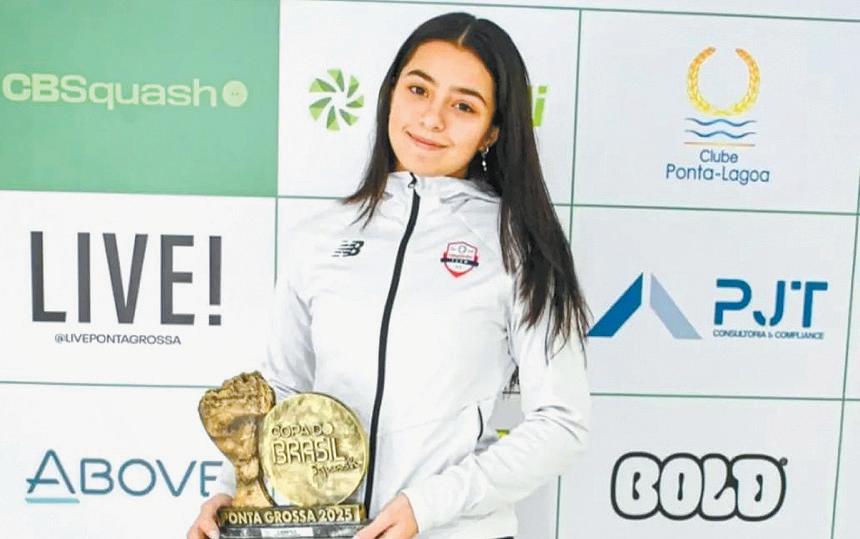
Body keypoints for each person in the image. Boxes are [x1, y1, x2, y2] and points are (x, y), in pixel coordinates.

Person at [188, 11, 590, 539]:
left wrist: (427, 506)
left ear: (492, 131)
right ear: (390, 95)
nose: (432, 119)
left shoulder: (522, 247)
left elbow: (561, 422)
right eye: (418, 90)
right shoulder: (320, 237)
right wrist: (234, 493)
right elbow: (283, 387)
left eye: (463, 106)